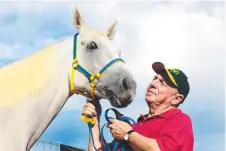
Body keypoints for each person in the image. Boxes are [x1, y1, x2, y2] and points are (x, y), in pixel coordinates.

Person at [82, 62, 194, 151]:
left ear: (176, 99)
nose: (153, 84)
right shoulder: (136, 125)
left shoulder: (180, 120)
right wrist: (94, 121)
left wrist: (128, 135)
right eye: (155, 78)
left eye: (162, 83)